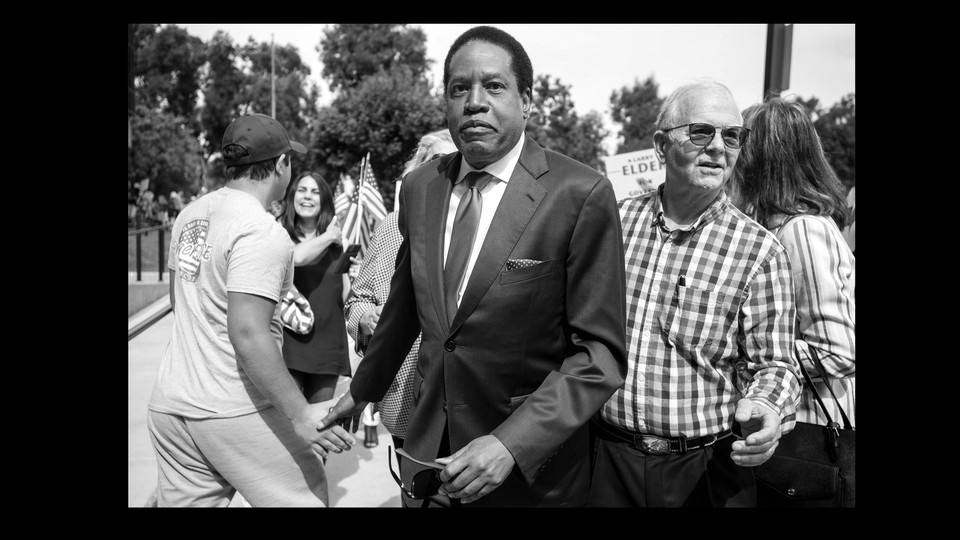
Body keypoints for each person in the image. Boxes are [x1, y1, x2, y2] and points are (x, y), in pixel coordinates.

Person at [321, 25, 627, 507]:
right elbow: (404, 311)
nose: (474, 102)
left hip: (530, 477)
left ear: (528, 100)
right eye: (459, 88)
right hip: (428, 462)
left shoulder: (579, 194)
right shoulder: (421, 187)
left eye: (494, 86)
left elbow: (599, 356)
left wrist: (511, 443)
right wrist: (361, 392)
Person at [589, 81, 802, 507]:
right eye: (702, 131)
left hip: (706, 471)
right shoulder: (614, 220)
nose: (718, 148)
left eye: (732, 136)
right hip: (605, 460)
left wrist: (767, 406)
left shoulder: (760, 250)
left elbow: (776, 364)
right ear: (660, 145)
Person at [146, 113, 356, 507]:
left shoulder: (190, 214)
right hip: (230, 405)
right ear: (280, 165)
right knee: (306, 496)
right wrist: (299, 413)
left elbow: (181, 304)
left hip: (170, 405)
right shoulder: (261, 230)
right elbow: (248, 334)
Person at [726, 96, 855, 427]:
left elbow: (838, 352)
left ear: (760, 162)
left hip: (811, 434)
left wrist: (749, 351)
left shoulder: (803, 232)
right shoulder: (785, 227)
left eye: (739, 144)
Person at [344, 129, 457, 457]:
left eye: (456, 159)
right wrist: (366, 318)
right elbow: (358, 299)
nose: (449, 166)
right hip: (407, 403)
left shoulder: (489, 226)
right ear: (417, 171)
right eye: (438, 159)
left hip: (473, 409)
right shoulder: (391, 227)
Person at [278, 171, 352, 407]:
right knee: (289, 426)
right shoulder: (278, 234)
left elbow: (345, 293)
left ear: (324, 200)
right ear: (292, 196)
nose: (307, 197)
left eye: (315, 192)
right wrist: (330, 236)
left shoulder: (341, 243)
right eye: (302, 190)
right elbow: (297, 256)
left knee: (320, 425)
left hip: (327, 347)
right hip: (288, 344)